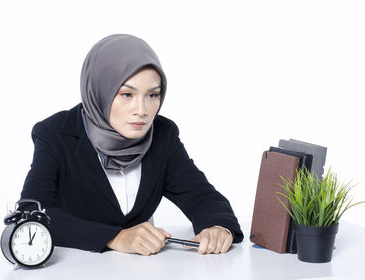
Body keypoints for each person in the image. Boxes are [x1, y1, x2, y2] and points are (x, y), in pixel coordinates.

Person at [19, 34, 243, 256]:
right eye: (127, 94)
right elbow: (30, 212)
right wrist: (114, 237)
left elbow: (201, 196)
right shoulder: (56, 134)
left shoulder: (163, 135)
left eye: (152, 95)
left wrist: (217, 227)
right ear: (100, 90)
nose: (142, 110)